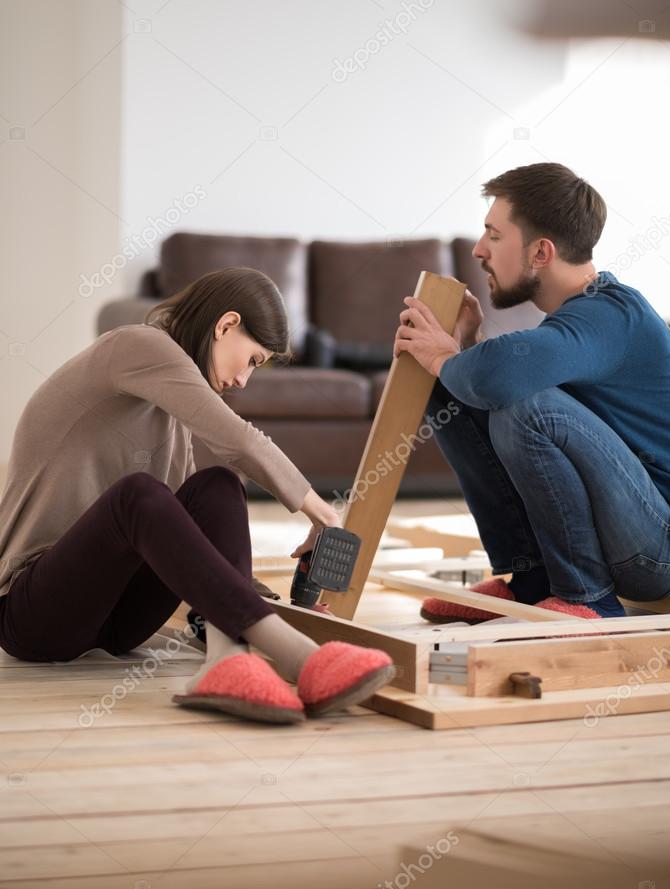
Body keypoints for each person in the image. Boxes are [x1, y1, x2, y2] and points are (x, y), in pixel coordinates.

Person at [0, 267, 394, 724]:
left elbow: (187, 544)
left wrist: (266, 602)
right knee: (139, 496)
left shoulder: (171, 422)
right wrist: (323, 513)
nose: (245, 380)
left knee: (217, 485)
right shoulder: (135, 344)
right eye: (252, 359)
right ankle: (301, 659)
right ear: (226, 325)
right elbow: (240, 440)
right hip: (35, 614)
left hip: (119, 621)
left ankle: (226, 662)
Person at [394, 162, 670, 623]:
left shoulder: (611, 314)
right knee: (451, 387)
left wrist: (443, 356)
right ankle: (530, 582)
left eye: (494, 234)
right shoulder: (578, 320)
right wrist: (461, 352)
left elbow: (503, 381)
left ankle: (587, 598)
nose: (479, 249)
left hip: (664, 550)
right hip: (632, 533)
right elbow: (492, 379)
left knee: (526, 407)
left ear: (541, 253)